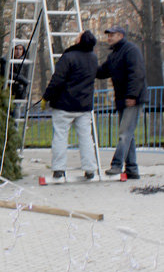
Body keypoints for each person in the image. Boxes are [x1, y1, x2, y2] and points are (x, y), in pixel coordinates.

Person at [42, 30, 98, 181]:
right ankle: (90, 169)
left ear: (79, 41)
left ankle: (59, 169)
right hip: (84, 106)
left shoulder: (68, 57)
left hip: (64, 105)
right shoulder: (93, 58)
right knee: (86, 138)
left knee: (60, 137)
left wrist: (46, 97)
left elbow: (57, 80)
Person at [96, 25, 147, 179]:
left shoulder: (131, 50)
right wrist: (87, 65)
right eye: (108, 35)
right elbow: (103, 72)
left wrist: (132, 95)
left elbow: (137, 73)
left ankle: (117, 165)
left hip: (132, 98)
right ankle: (132, 169)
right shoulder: (114, 55)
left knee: (124, 133)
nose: (108, 38)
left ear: (120, 35)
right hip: (123, 99)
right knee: (128, 134)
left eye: (111, 35)